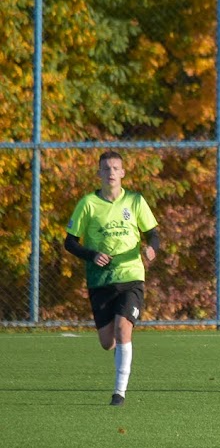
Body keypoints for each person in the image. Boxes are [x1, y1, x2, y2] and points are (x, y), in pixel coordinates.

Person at [64, 151, 160, 407]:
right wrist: (92, 254)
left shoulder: (135, 201)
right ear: (99, 174)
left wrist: (152, 248)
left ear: (123, 173)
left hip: (131, 276)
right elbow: (70, 243)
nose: (111, 172)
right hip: (100, 280)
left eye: (115, 168)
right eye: (106, 168)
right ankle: (121, 351)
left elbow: (154, 235)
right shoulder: (88, 204)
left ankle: (119, 393)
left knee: (122, 327)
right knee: (108, 342)